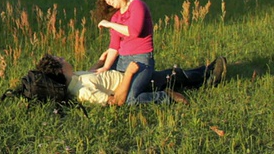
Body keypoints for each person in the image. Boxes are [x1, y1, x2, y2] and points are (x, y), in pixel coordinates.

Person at [37, 54, 227, 106]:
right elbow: (116, 101)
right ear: (60, 69)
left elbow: (93, 74)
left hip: (130, 76)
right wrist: (128, 74)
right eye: (59, 59)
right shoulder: (81, 92)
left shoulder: (75, 76)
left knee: (170, 75)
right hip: (131, 82)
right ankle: (210, 76)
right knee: (170, 77)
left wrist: (101, 60)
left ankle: (205, 71)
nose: (63, 57)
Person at [93, 0, 155, 104]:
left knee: (129, 99)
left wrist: (109, 24)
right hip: (121, 61)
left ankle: (166, 96)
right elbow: (114, 46)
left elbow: (134, 31)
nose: (107, 2)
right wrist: (105, 66)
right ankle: (164, 78)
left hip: (140, 60)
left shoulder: (137, 5)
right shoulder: (116, 17)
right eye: (105, 0)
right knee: (111, 92)